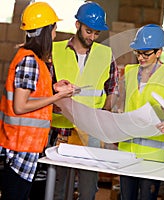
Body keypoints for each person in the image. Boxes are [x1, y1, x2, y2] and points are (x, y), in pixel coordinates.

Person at [0, 2, 75, 200]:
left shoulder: (35, 60)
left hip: (25, 144)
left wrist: (53, 89)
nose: (55, 33)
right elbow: (20, 105)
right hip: (20, 146)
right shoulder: (30, 61)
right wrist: (57, 96)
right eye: (54, 28)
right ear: (46, 31)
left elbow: (31, 95)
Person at [50, 1, 119, 200]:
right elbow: (46, 88)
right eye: (89, 31)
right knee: (59, 187)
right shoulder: (55, 51)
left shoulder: (105, 54)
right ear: (78, 24)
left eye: (97, 33)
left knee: (88, 189)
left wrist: (106, 112)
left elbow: (112, 87)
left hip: (91, 131)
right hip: (62, 129)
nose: (92, 37)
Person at [117, 24, 164, 200]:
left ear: (159, 52)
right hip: (128, 150)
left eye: (146, 53)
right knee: (126, 197)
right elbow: (122, 106)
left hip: (155, 153)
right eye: (138, 52)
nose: (141, 57)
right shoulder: (130, 72)